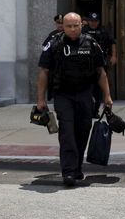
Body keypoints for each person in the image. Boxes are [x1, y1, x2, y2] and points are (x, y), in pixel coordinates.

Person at [36, 12, 113, 187]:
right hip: (63, 94)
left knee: (83, 130)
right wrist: (40, 99)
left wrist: (107, 96)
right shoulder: (54, 44)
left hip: (85, 93)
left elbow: (101, 72)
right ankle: (68, 171)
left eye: (76, 25)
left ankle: (77, 168)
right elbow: (44, 73)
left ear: (81, 25)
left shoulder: (91, 43)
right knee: (67, 133)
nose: (72, 29)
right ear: (62, 26)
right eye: (68, 25)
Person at [84, 12, 117, 116]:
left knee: (99, 88)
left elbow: (112, 42)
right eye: (91, 21)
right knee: (87, 87)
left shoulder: (103, 30)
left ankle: (95, 110)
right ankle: (86, 110)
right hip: (85, 63)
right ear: (88, 21)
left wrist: (114, 56)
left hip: (100, 62)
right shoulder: (83, 30)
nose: (93, 23)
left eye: (96, 21)